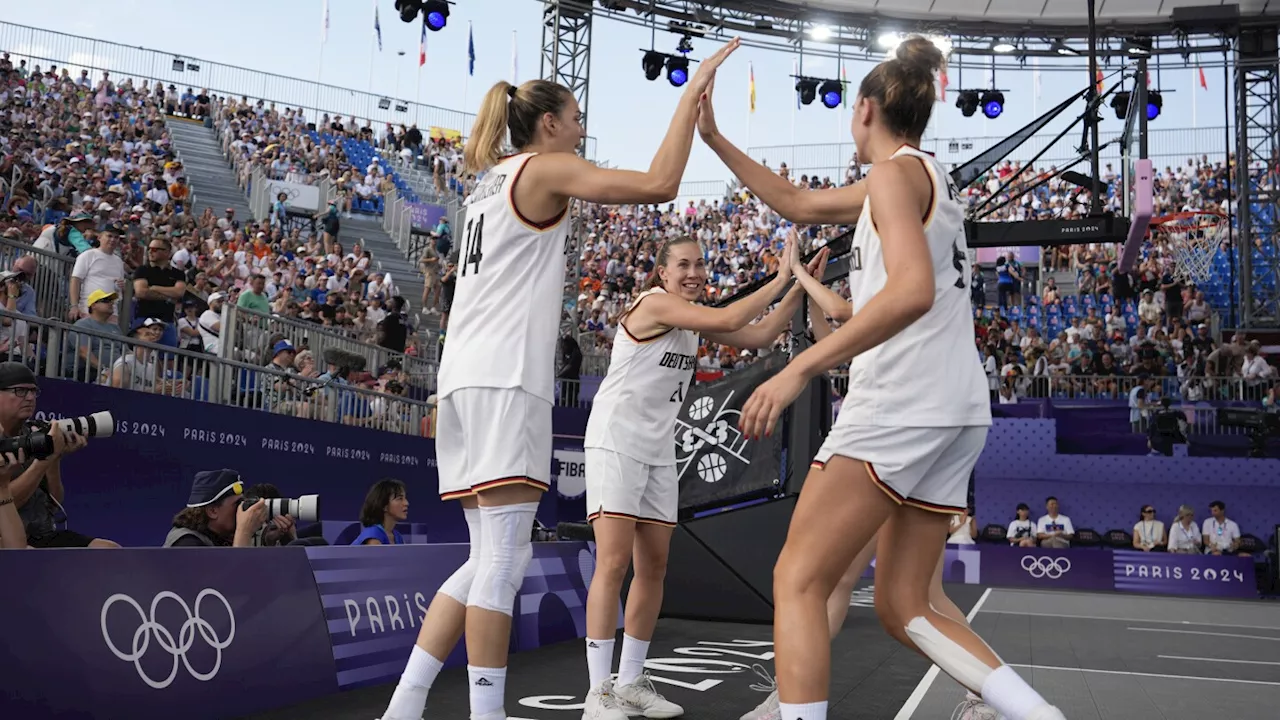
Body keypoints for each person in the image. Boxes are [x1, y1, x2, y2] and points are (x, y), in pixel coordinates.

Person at [697, 35, 1064, 720]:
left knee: (798, 580)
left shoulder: (894, 175)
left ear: (864, 108)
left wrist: (801, 366)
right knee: (905, 604)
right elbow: (799, 205)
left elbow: (912, 291)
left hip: (901, 401)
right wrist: (715, 138)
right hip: (954, 405)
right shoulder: (920, 176)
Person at [377, 37, 742, 720]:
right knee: (506, 559)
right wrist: (692, 93)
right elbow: (661, 184)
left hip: (462, 378)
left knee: (483, 556)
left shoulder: (489, 183)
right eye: (576, 118)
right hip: (505, 377)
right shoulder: (544, 169)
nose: (582, 130)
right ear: (549, 125)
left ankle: (405, 705)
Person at [581, 232, 816, 719]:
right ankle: (597, 694)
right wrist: (780, 275)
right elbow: (732, 318)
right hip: (616, 441)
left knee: (655, 567)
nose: (694, 273)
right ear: (662, 273)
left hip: (657, 449)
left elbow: (755, 334)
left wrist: (800, 286)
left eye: (700, 265)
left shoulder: (691, 321)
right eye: (683, 265)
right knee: (614, 564)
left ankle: (629, 684)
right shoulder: (654, 304)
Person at [352, 478, 409, 546]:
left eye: (405, 498)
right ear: (384, 506)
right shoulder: (373, 536)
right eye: (400, 499)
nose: (406, 503)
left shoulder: (398, 537)